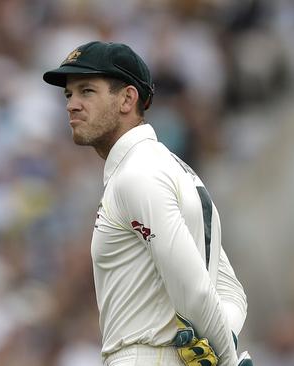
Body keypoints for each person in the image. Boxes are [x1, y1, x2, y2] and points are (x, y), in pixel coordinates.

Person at [42, 41, 251, 366]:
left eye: (87, 91)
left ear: (127, 98)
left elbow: (195, 289)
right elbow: (230, 291)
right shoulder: (177, 172)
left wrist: (227, 359)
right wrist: (228, 336)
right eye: (69, 95)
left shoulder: (136, 176)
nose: (72, 105)